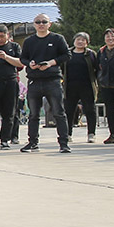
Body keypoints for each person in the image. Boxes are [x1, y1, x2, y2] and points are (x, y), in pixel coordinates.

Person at [20, 14, 70, 153]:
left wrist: (50, 63)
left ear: (50, 24)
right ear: (34, 24)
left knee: (59, 112)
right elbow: (23, 58)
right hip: (35, 80)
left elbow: (66, 55)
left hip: (52, 80)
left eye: (44, 22)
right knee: (33, 114)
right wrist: (30, 64)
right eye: (38, 22)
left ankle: (64, 143)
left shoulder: (57, 39)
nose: (41, 24)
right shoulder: (29, 41)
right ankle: (33, 142)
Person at [65, 32, 99, 143]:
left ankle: (91, 133)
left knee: (90, 110)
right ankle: (68, 134)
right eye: (78, 39)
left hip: (87, 86)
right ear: (74, 41)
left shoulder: (90, 54)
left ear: (87, 42)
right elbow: (61, 68)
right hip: (70, 86)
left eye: (83, 40)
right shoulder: (67, 53)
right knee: (69, 111)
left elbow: (97, 69)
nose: (80, 42)